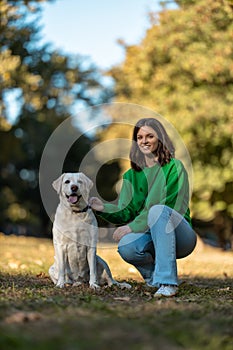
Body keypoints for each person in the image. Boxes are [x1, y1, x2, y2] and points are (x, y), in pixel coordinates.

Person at [89, 118, 197, 297]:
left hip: (180, 236)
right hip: (152, 235)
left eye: (150, 136)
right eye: (139, 137)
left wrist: (132, 227)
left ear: (160, 139)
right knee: (127, 245)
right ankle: (154, 279)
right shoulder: (131, 175)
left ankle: (168, 282)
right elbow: (126, 210)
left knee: (158, 210)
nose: (144, 141)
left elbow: (170, 205)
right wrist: (103, 208)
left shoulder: (174, 167)